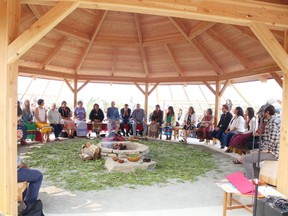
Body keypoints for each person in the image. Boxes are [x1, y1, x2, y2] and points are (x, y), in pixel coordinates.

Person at [242, 105, 281, 179]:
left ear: (267, 112)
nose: (260, 115)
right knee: (251, 153)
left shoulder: (272, 123)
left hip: (274, 153)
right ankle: (254, 178)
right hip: (272, 151)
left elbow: (274, 139)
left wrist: (265, 149)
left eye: (262, 113)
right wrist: (261, 149)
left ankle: (250, 180)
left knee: (246, 159)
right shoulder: (273, 120)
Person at [17, 129, 43, 204]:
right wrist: (25, 167)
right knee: (37, 175)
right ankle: (30, 204)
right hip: (8, 172)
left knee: (27, 173)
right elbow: (17, 162)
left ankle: (22, 200)